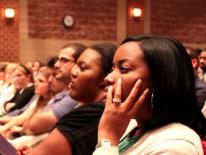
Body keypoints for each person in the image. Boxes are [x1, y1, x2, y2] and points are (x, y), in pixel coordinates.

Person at [93, 35, 206, 155]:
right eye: (113, 68)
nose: (108, 78)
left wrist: (107, 139)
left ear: (158, 81)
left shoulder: (176, 146)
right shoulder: (132, 125)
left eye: (124, 69)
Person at [27, 43, 117, 155]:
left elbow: (34, 125)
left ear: (106, 78)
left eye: (82, 67)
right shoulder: (98, 110)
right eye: (76, 65)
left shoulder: (90, 114)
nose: (73, 72)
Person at [22, 43, 86, 135]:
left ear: (79, 65)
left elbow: (33, 125)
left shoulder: (75, 96)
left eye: (64, 60)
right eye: (58, 60)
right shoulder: (64, 93)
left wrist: (28, 124)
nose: (56, 65)